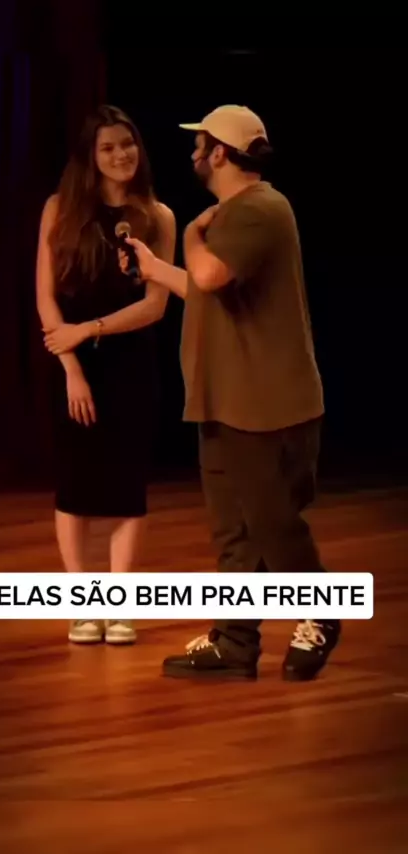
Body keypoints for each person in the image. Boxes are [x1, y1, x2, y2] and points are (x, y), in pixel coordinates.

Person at [119, 104, 340, 680]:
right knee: (234, 533)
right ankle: (235, 641)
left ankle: (322, 614)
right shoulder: (234, 217)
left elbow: (209, 274)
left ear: (218, 153)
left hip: (267, 405)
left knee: (274, 526)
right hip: (225, 401)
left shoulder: (259, 208)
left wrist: (192, 232)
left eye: (200, 145)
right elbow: (206, 288)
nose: (193, 153)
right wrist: (153, 268)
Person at [36, 104, 176, 646]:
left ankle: (119, 607)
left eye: (128, 144)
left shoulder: (157, 216)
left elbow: (155, 306)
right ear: (90, 157)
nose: (122, 155)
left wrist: (90, 329)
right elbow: (46, 300)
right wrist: (71, 366)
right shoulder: (60, 209)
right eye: (108, 147)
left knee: (126, 489)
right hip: (71, 363)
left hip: (130, 364)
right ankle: (82, 605)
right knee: (74, 488)